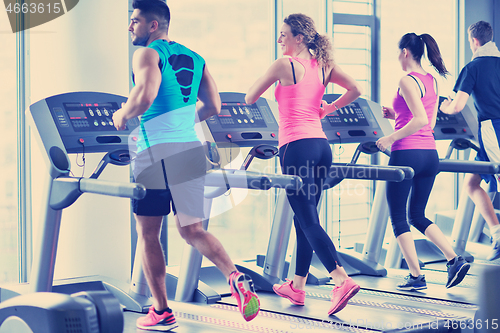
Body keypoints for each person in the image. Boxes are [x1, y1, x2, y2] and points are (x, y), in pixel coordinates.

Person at [113, 0, 260, 330]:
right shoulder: (196, 58)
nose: (130, 27)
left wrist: (123, 113)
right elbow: (214, 105)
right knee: (193, 230)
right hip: (189, 151)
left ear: (153, 26)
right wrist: (181, 119)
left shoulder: (147, 54)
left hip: (154, 153)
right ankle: (235, 278)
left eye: (134, 21)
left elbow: (145, 95)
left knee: (148, 233)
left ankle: (162, 311)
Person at [245, 13, 362, 316]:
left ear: (299, 37)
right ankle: (297, 285)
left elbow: (249, 97)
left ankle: (341, 279)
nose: (279, 39)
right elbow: (356, 90)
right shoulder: (323, 66)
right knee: (304, 218)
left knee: (308, 219)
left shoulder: (284, 65)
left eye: (283, 34)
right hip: (322, 148)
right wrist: (328, 108)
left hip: (296, 147)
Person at [376, 33, 471, 291]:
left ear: (406, 52)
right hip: (430, 154)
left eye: (398, 52)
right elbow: (428, 122)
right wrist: (395, 114)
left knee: (398, 217)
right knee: (417, 214)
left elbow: (419, 121)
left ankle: (417, 277)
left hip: (407, 152)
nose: (397, 57)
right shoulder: (430, 81)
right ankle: (454, 259)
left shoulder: (406, 80)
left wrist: (389, 138)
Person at [440, 21, 500, 261]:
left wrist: (445, 106)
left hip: (493, 130)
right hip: (490, 132)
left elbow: (457, 106)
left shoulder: (473, 67)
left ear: (474, 41)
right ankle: (497, 233)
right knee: (471, 184)